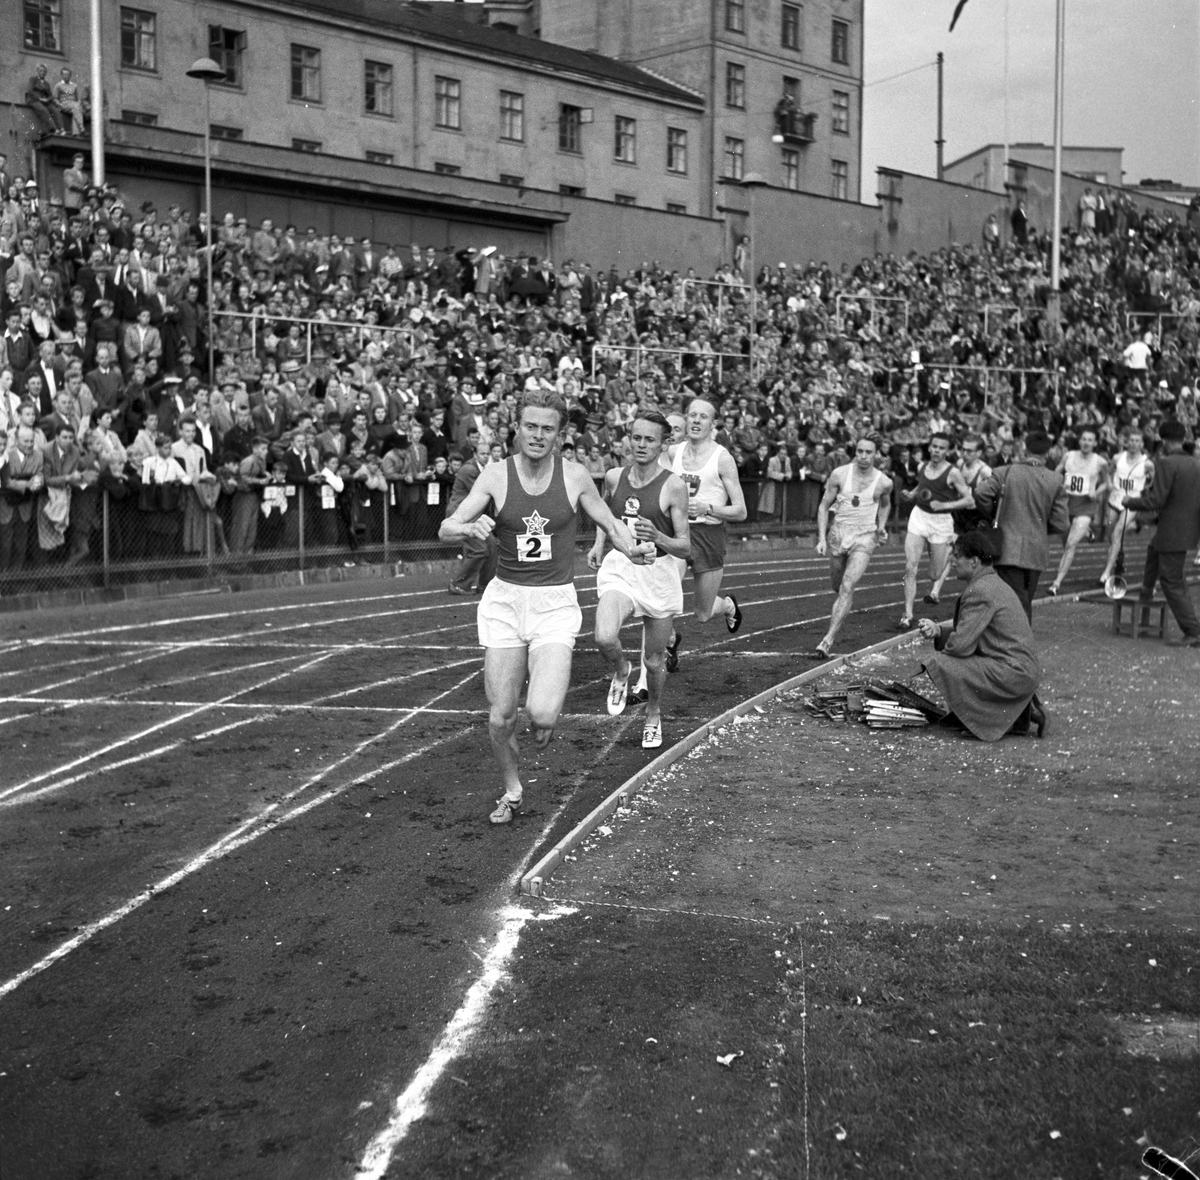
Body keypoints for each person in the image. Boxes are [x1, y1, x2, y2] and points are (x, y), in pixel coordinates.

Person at [439, 390, 651, 825]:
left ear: (560, 433)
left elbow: (609, 523)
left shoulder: (574, 477)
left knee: (542, 714)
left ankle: (569, 696)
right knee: (500, 718)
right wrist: (467, 526)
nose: (538, 435)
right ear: (518, 427)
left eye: (547, 429)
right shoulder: (496, 476)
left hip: (554, 604)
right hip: (505, 601)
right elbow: (446, 526)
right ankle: (512, 790)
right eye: (530, 426)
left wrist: (632, 549)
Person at [588, 410, 690, 750]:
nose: (641, 444)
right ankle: (620, 670)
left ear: (664, 443)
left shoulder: (673, 485)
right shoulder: (615, 477)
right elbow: (605, 514)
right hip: (621, 567)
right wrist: (599, 545)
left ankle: (653, 714)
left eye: (649, 439)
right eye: (636, 437)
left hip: (657, 574)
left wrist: (658, 535)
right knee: (604, 636)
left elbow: (685, 545)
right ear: (628, 439)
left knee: (654, 661)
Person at [916, 529, 1047, 741]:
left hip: (1014, 672)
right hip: (1020, 670)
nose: (953, 559)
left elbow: (961, 646)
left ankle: (1005, 718)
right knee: (953, 661)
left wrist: (943, 644)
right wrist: (939, 630)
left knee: (941, 663)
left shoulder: (981, 590)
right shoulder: (992, 582)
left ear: (974, 561)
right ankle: (1020, 714)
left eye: (957, 555)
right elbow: (975, 633)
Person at [668, 396, 747, 663]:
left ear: (713, 423)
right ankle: (667, 643)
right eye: (692, 415)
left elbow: (741, 510)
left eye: (703, 417)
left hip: (708, 536)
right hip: (677, 534)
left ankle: (727, 606)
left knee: (702, 614)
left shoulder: (721, 459)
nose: (696, 421)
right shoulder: (673, 453)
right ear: (686, 418)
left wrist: (707, 509)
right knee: (663, 596)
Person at [973, 432, 1070, 623]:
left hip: (1006, 547)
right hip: (1037, 550)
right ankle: (1018, 641)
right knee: (1024, 598)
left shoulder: (1004, 472)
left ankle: (1019, 643)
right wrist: (1041, 528)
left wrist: (995, 515)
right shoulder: (1055, 479)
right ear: (1048, 453)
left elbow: (981, 492)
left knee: (1015, 603)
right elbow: (1062, 523)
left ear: (1024, 449)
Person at [813, 434, 893, 659]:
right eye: (860, 452)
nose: (863, 457)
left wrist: (881, 526)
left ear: (876, 454)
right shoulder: (840, 474)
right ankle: (842, 603)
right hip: (839, 533)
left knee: (848, 585)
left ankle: (828, 639)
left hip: (865, 536)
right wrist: (821, 538)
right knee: (837, 585)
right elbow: (823, 506)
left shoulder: (884, 482)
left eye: (868, 452)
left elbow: (886, 504)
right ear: (854, 452)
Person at [1121, 420, 1200, 647]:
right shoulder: (1196, 463)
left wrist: (1130, 501)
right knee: (1153, 551)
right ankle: (1145, 595)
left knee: (1171, 581)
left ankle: (1193, 631)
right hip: (1185, 530)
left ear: (1163, 441)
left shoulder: (1165, 463)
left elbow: (1156, 500)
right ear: (1183, 439)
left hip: (1171, 531)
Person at [898, 432, 974, 627]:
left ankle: (948, 549)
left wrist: (944, 506)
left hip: (940, 522)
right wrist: (911, 494)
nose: (937, 451)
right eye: (934, 446)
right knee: (910, 566)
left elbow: (969, 500)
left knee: (934, 574)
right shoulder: (922, 466)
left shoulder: (953, 473)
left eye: (941, 448)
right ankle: (907, 614)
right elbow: (921, 486)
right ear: (929, 448)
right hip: (919, 517)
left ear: (946, 451)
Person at [1047, 428, 1108, 596]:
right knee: (1065, 540)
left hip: (1086, 505)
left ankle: (1056, 583)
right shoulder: (1068, 456)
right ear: (1079, 441)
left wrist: (1096, 491)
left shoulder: (1100, 462)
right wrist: (1058, 483)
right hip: (1066, 503)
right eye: (1084, 439)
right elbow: (1057, 471)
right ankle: (1088, 533)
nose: (1086, 442)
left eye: (1090, 440)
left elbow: (1107, 484)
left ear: (1095, 443)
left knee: (1070, 544)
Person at [1099, 430, 1154, 587]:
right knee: (1111, 535)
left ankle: (1107, 572)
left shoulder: (1147, 463)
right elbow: (1108, 473)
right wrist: (1109, 483)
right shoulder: (1117, 458)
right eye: (1131, 440)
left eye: (1137, 441)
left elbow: (1153, 481)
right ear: (1126, 442)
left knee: (1118, 532)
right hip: (1115, 499)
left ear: (1142, 444)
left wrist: (1143, 490)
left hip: (1132, 502)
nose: (1134, 443)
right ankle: (1117, 558)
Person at [446, 442, 497, 595]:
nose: (486, 456)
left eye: (487, 454)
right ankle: (459, 584)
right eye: (482, 454)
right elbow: (484, 493)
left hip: (473, 515)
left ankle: (485, 585)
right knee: (479, 550)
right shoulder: (469, 469)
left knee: (492, 545)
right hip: (460, 514)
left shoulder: (482, 469)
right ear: (475, 454)